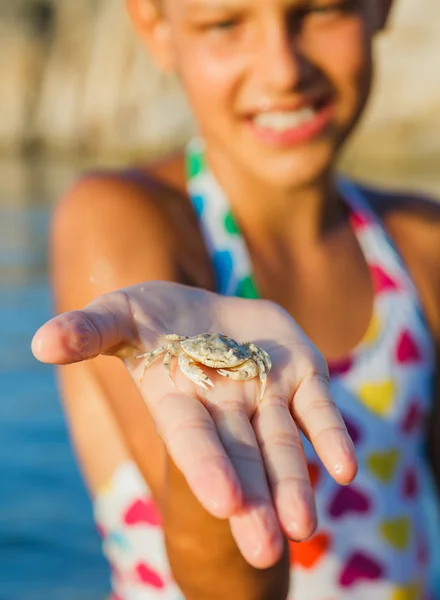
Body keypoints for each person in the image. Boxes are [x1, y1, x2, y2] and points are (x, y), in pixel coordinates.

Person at [32, 0, 440, 597]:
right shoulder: (122, 224)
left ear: (381, 8)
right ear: (154, 26)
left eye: (321, 10)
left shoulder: (420, 242)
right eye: (225, 24)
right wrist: (220, 410)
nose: (282, 70)